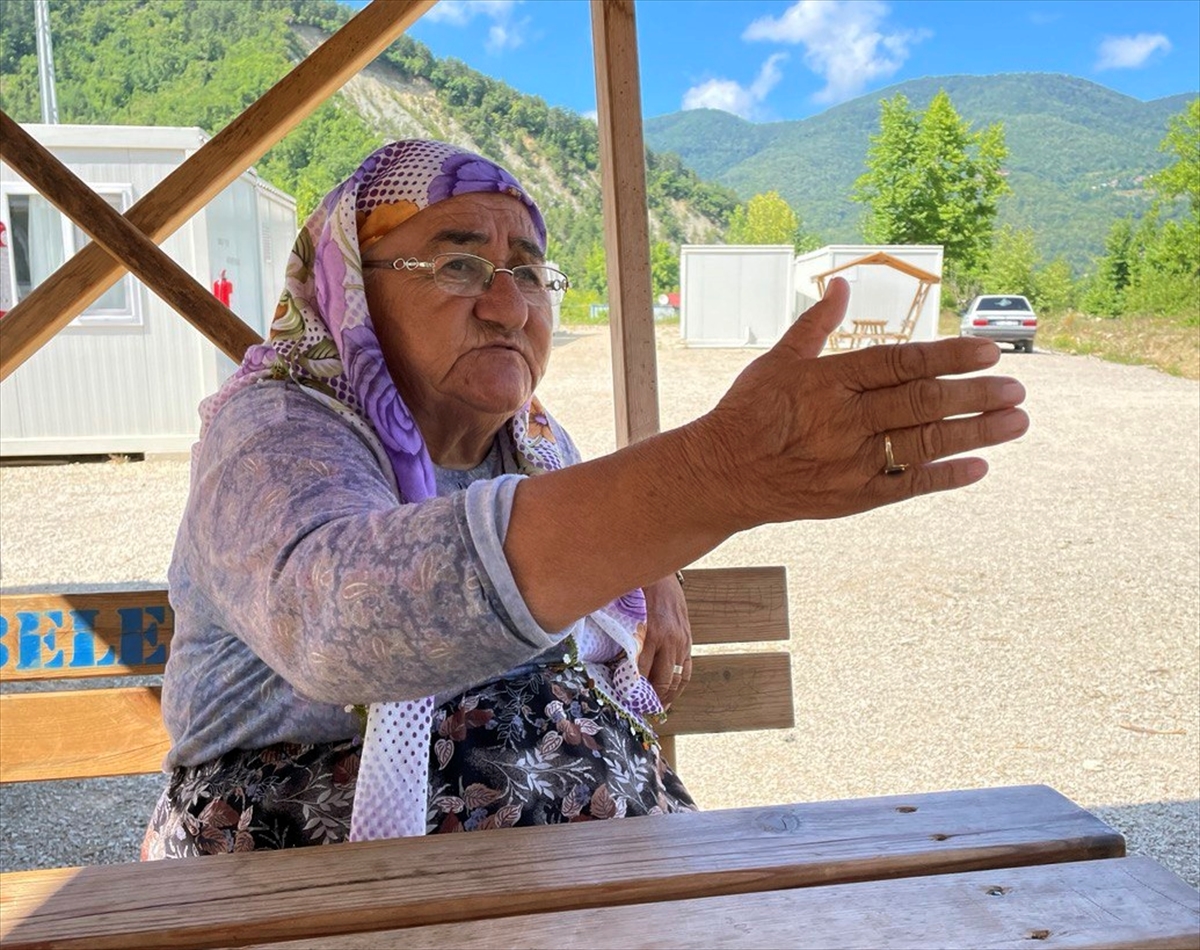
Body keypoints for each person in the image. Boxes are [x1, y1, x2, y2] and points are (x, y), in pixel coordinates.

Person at [142, 139, 1027, 858]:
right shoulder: (272, 430)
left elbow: (587, 530)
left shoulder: (527, 441)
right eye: (457, 263)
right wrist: (714, 474)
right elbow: (336, 620)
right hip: (304, 880)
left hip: (567, 872)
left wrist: (660, 553)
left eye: (529, 272)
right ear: (354, 288)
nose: (506, 304)